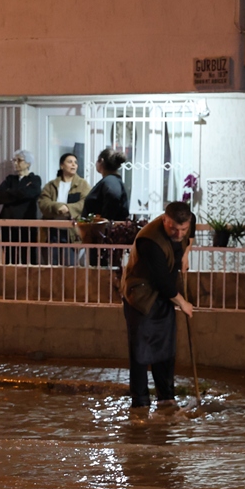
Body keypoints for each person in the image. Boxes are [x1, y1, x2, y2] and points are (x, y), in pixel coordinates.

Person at [120, 201, 196, 410]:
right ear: (164, 220)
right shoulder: (149, 242)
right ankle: (140, 402)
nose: (179, 233)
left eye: (183, 229)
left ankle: (166, 398)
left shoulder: (188, 222)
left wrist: (186, 253)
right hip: (141, 294)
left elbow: (190, 234)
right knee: (141, 350)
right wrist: (184, 304)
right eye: (173, 228)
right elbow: (163, 283)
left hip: (164, 293)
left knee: (166, 347)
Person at [38, 153, 90, 264]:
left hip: (72, 232)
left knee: (69, 268)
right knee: (51, 267)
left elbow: (85, 203)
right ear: (62, 165)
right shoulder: (51, 185)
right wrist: (57, 207)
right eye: (70, 162)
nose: (74, 165)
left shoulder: (83, 184)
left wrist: (68, 208)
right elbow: (43, 202)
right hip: (52, 232)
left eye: (75, 162)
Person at [0, 149, 41, 264]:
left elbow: (31, 193)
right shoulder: (10, 179)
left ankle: (29, 281)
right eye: (14, 160)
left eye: (19, 160)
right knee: (9, 257)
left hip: (27, 223)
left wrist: (10, 193)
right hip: (8, 223)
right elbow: (0, 197)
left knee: (29, 257)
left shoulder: (34, 179)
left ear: (28, 163)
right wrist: (21, 192)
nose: (15, 163)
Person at [82, 148, 130, 222]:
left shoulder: (111, 180)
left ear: (101, 161)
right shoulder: (113, 180)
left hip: (104, 232)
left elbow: (113, 196)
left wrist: (105, 221)